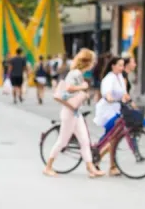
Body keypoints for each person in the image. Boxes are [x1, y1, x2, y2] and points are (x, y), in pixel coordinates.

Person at [43, 48, 104, 178]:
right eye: (92, 62)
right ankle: (48, 166)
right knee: (63, 141)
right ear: (87, 62)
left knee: (84, 140)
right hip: (69, 112)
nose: (93, 65)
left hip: (75, 112)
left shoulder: (77, 73)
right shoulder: (75, 73)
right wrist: (83, 87)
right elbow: (69, 88)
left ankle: (90, 167)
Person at [93, 56, 130, 175]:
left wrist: (126, 98)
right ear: (113, 66)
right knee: (113, 138)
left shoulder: (120, 77)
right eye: (120, 65)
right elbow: (107, 93)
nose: (122, 67)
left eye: (123, 65)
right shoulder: (109, 78)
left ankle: (110, 166)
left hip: (117, 109)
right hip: (108, 111)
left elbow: (124, 93)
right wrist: (109, 98)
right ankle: (101, 161)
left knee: (113, 139)